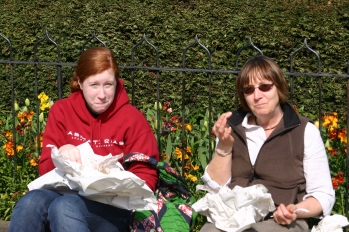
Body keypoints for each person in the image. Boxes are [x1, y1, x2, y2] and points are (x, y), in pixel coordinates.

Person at [9, 47, 159, 232]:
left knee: (65, 206)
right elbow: (44, 168)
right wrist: (61, 154)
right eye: (94, 85)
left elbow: (147, 178)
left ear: (117, 82)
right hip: (65, 195)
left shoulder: (132, 118)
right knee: (31, 202)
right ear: (80, 82)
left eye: (108, 84)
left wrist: (114, 179)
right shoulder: (62, 111)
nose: (102, 95)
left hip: (113, 210)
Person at [200, 55, 335, 232]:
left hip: (281, 221)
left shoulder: (304, 131)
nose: (257, 96)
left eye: (265, 87)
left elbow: (322, 195)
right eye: (249, 90)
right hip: (233, 216)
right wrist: (224, 147)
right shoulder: (232, 127)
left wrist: (295, 211)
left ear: (278, 87)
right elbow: (215, 187)